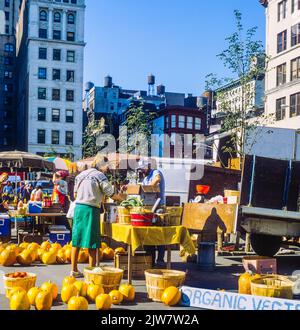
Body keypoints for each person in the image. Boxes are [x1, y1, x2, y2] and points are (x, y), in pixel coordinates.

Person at [70, 154, 125, 278]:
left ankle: (73, 270)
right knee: (92, 243)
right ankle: (91, 271)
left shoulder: (80, 175)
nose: (107, 169)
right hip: (91, 209)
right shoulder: (100, 176)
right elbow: (111, 193)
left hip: (78, 208)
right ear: (101, 165)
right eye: (106, 166)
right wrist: (122, 198)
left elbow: (74, 193)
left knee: (76, 240)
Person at [137, 159, 166, 267]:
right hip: (148, 208)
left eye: (143, 169)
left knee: (159, 233)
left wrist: (149, 187)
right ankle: (150, 259)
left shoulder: (155, 172)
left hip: (159, 206)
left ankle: (160, 260)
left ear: (148, 166)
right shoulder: (145, 178)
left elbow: (157, 179)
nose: (142, 171)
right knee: (149, 234)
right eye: (141, 170)